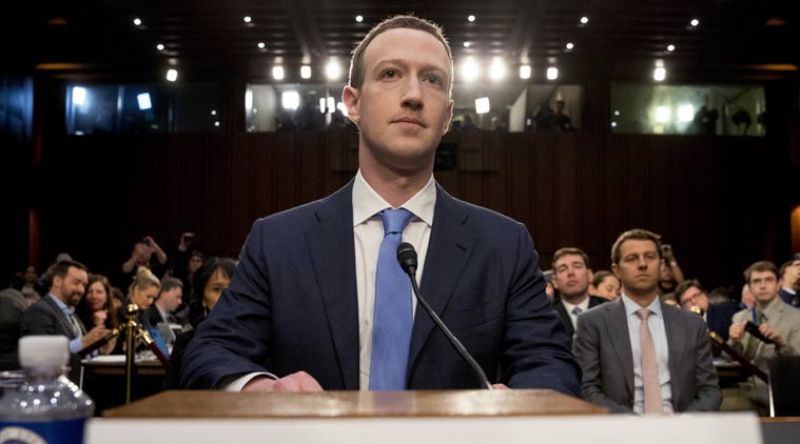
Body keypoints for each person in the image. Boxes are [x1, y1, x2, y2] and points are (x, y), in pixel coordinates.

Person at [181, 15, 579, 394]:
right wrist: (259, 389)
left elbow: (550, 362)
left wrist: (521, 401)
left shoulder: (502, 244)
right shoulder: (279, 241)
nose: (413, 95)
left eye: (433, 80)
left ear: (447, 117)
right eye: (390, 74)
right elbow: (210, 352)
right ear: (352, 103)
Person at [573, 229, 720, 413]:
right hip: (620, 432)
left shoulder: (691, 324)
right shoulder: (593, 323)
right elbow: (586, 389)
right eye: (632, 258)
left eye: (650, 257)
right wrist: (637, 427)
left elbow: (710, 391)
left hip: (681, 431)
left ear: (661, 264)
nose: (642, 264)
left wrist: (683, 425)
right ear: (616, 270)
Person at [728, 261, 800, 414]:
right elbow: (730, 359)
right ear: (749, 287)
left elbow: (797, 364)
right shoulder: (739, 317)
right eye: (756, 281)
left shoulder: (796, 318)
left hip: (777, 390)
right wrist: (733, 342)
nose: (762, 286)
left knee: (722, 405)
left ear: (779, 283)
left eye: (768, 280)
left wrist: (781, 344)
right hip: (742, 386)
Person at [20, 260, 109, 382]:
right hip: (53, 390)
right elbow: (41, 356)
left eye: (84, 285)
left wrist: (100, 348)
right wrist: (83, 342)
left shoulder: (72, 314)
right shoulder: (39, 311)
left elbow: (80, 355)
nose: (81, 289)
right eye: (76, 283)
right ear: (57, 281)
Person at [166, 257, 236, 389]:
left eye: (232, 289)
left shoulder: (259, 342)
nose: (227, 296)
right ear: (202, 298)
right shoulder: (186, 343)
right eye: (217, 289)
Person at [550, 247, 606, 341]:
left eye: (577, 266)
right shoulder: (546, 314)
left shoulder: (608, 309)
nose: (570, 273)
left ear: (590, 275)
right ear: (555, 281)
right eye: (563, 269)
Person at [75, 273, 119, 354]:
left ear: (107, 296)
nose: (94, 296)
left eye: (99, 292)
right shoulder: (77, 316)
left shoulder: (115, 316)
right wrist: (97, 325)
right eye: (90, 292)